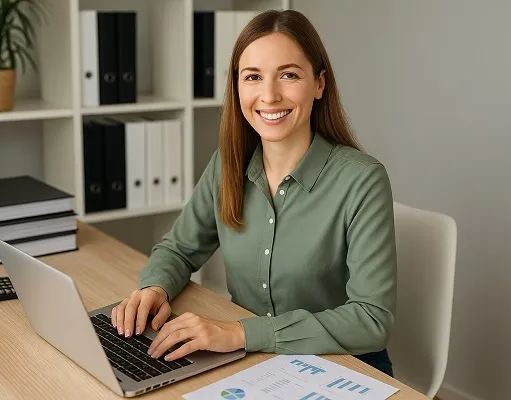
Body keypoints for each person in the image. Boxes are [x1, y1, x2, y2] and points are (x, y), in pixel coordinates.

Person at [111, 9, 397, 377]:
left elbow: (372, 319)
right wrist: (155, 288)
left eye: (289, 75)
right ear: (237, 87)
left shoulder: (363, 180)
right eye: (253, 77)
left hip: (343, 366)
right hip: (252, 360)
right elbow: (179, 249)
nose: (270, 95)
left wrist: (240, 333)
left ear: (319, 84)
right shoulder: (226, 164)